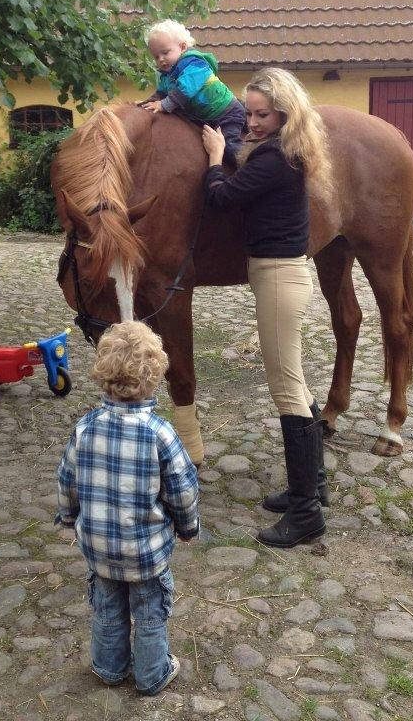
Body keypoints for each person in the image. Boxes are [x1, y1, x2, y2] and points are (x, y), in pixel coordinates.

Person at [201, 67, 331, 549]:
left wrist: (216, 158)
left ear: (284, 114)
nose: (252, 122)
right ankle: (314, 484)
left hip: (278, 276)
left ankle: (306, 515)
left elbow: (221, 199)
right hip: (280, 273)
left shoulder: (275, 157)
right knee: (295, 378)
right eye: (249, 113)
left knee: (286, 388)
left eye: (262, 114)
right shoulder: (284, 151)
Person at [56, 320, 200, 695]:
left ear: (103, 375)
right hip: (146, 553)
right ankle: (152, 674)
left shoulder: (84, 428)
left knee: (107, 608)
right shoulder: (161, 434)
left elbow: (67, 479)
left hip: (100, 548)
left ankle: (108, 667)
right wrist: (188, 527)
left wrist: (69, 517)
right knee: (150, 613)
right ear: (155, 378)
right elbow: (182, 489)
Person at [140, 19, 247, 162]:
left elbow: (184, 90)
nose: (161, 59)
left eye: (165, 53)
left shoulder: (195, 65)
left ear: (183, 47)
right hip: (206, 117)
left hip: (226, 113)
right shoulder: (167, 75)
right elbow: (161, 94)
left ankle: (248, 165)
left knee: (229, 146)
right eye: (156, 56)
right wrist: (147, 104)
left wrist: (164, 105)